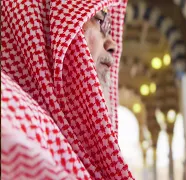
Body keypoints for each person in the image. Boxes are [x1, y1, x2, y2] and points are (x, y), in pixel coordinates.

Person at [1, 0, 133, 179]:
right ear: (46, 26)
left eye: (110, 28)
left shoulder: (54, 137)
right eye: (101, 20)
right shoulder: (11, 120)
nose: (112, 45)